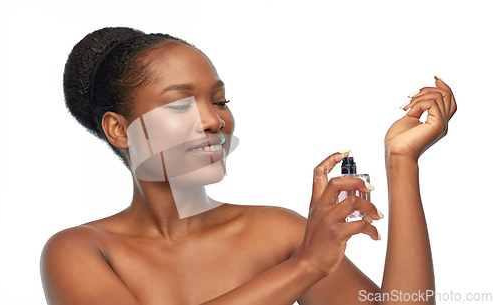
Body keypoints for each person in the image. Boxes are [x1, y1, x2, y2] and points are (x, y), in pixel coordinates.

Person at [40, 27, 457, 304]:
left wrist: (401, 163)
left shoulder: (279, 233)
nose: (213, 120)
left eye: (220, 101)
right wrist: (307, 266)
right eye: (179, 103)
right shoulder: (79, 251)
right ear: (119, 129)